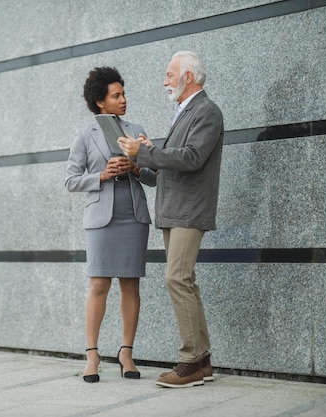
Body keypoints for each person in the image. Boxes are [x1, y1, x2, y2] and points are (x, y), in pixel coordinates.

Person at [118, 51, 224, 388]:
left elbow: (192, 158)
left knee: (176, 279)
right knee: (185, 281)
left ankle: (190, 361)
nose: (164, 81)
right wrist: (143, 160)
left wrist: (145, 152)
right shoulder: (186, 112)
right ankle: (203, 361)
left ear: (187, 77)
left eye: (169, 74)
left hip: (189, 211)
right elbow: (174, 162)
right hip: (176, 209)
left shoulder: (206, 111)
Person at [65, 67, 156, 383]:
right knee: (99, 284)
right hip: (101, 219)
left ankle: (126, 353)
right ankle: (92, 355)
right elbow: (71, 180)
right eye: (116, 95)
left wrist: (135, 167)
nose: (123, 100)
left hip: (133, 215)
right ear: (100, 101)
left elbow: (157, 176)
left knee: (130, 284)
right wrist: (102, 174)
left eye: (123, 94)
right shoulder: (85, 135)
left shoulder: (137, 130)